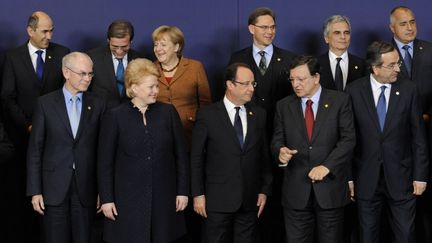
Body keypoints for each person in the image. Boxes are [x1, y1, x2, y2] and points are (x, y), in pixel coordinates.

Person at [98, 58, 189, 243]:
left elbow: (181, 156)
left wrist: (182, 191)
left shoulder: (168, 112)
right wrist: (107, 199)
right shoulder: (115, 116)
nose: (156, 91)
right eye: (150, 87)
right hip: (127, 199)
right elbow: (105, 162)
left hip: (165, 197)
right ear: (134, 87)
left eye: (157, 86)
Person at [345, 41, 429, 243]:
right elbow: (348, 138)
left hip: (402, 178)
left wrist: (420, 176)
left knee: (405, 236)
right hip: (366, 178)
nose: (398, 69)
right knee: (368, 236)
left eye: (398, 63)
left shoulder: (409, 89)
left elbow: (418, 136)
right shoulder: (354, 91)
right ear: (375, 68)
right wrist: (348, 178)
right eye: (392, 65)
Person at [0, 10, 70, 243]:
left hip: (55, 139)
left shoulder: (62, 54)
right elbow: (7, 97)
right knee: (21, 193)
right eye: (44, 31)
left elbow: (67, 95)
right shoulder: (13, 57)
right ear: (30, 31)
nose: (49, 35)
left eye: (52, 30)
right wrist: (28, 126)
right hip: (22, 138)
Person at [228, 8, 296, 242]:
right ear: (251, 29)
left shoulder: (289, 59)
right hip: (248, 139)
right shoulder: (237, 58)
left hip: (281, 139)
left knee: (277, 198)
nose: (270, 32)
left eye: (273, 27)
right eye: (264, 27)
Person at [271, 55, 355, 243]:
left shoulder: (340, 101)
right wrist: (281, 153)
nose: (296, 84)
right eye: (292, 80)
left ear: (316, 78)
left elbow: (348, 140)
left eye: (301, 79)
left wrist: (327, 166)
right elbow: (276, 140)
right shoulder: (283, 106)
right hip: (295, 193)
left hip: (330, 191)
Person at [26, 52, 105, 243]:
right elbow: (35, 149)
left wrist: (103, 190)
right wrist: (35, 190)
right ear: (66, 73)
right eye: (83, 74)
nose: (87, 79)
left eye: (90, 74)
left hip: (86, 188)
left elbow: (103, 152)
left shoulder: (99, 104)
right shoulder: (45, 104)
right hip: (53, 189)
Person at [191, 63, 272, 243]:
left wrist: (264, 190)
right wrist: (198, 194)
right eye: (245, 84)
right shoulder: (207, 115)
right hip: (216, 199)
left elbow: (263, 156)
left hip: (249, 199)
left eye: (253, 84)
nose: (251, 88)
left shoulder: (258, 114)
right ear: (230, 85)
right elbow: (196, 158)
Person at [152, 25, 212, 144]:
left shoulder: (195, 67)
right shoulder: (149, 69)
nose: (158, 49)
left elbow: (206, 104)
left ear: (176, 47)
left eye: (163, 44)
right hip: (159, 133)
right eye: (155, 44)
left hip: (190, 133)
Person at [88, 19, 144, 109]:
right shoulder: (92, 58)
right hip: (101, 117)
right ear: (108, 41)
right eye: (114, 46)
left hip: (131, 116)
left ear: (131, 42)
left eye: (124, 46)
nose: (119, 51)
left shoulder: (140, 60)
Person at [390, 6, 432, 115]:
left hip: (427, 120)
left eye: (412, 22)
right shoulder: (382, 53)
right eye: (403, 24)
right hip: (395, 123)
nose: (410, 28)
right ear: (392, 28)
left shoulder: (430, 49)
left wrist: (428, 115)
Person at [318, 15, 365, 91]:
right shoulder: (315, 65)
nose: (343, 37)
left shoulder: (363, 65)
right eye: (337, 33)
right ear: (326, 38)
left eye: (346, 33)